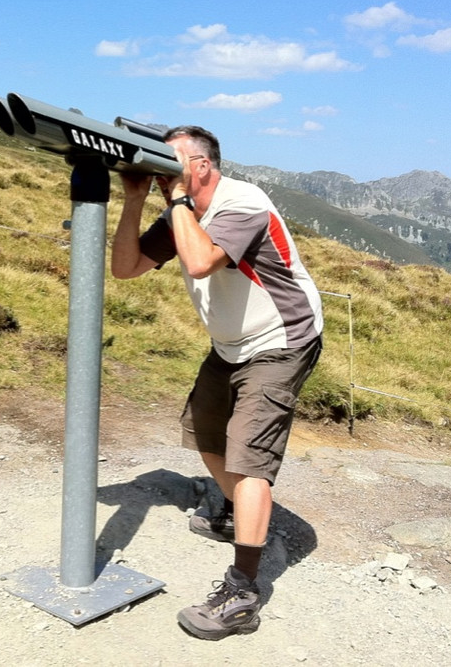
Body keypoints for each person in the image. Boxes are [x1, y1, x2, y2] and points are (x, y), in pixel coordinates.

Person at [111, 125, 323, 641]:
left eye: (173, 160)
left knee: (248, 454)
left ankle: (243, 592)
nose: (163, 170)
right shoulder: (178, 213)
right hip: (231, 345)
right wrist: (136, 200)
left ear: (201, 165)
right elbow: (125, 267)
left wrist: (179, 201)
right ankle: (239, 513)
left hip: (281, 340)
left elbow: (202, 262)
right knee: (205, 435)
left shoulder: (241, 203)